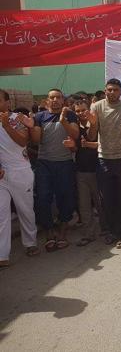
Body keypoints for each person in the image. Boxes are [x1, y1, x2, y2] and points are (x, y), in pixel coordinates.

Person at [30, 89, 79, 252]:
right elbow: (36, 140)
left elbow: (75, 135)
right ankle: (49, 232)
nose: (55, 100)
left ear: (63, 100)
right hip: (44, 164)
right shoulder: (39, 117)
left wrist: (63, 120)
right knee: (43, 198)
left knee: (66, 197)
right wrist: (32, 127)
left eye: (58, 97)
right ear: (46, 101)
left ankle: (63, 231)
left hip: (65, 163)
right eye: (52, 98)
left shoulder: (70, 115)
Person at [88, 79, 121, 249]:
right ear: (104, 90)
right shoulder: (96, 107)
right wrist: (93, 123)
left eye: (115, 89)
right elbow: (92, 136)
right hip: (103, 159)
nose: (112, 92)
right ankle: (110, 232)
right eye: (109, 89)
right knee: (106, 200)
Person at [0, 90, 39, 269]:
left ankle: (30, 243)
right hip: (2, 174)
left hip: (20, 172)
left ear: (7, 103)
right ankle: (2, 254)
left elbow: (23, 141)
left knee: (25, 210)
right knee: (2, 215)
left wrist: (7, 126)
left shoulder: (18, 119)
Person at [72, 100, 101, 247]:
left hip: (97, 170)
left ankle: (106, 231)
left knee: (101, 203)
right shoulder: (74, 127)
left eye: (83, 110)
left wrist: (89, 145)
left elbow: (103, 145)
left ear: (88, 110)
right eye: (77, 111)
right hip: (81, 171)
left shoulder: (97, 124)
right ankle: (89, 234)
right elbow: (73, 148)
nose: (81, 113)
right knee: (84, 206)